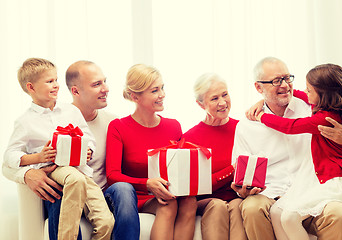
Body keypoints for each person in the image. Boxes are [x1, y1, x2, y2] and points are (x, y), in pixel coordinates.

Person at [231, 57, 342, 240]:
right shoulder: (247, 126)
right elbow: (242, 170)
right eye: (276, 81)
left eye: (288, 78)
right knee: (253, 208)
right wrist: (243, 188)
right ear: (258, 87)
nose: (286, 86)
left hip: (314, 189)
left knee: (339, 214)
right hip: (272, 192)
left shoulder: (315, 108)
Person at [3, 60, 140, 240]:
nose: (56, 85)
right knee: (73, 179)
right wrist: (37, 158)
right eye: (49, 81)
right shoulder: (25, 121)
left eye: (56, 80)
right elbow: (9, 157)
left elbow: (87, 137)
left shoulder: (71, 112)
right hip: (55, 171)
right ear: (31, 87)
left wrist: (87, 150)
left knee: (106, 222)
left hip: (81, 172)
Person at [105, 64, 197, 240]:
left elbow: (181, 169)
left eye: (162, 88)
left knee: (189, 201)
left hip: (168, 193)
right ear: (135, 96)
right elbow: (112, 175)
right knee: (169, 204)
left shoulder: (173, 126)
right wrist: (147, 183)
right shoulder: (118, 126)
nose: (162, 94)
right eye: (155, 90)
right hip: (136, 197)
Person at [183, 73, 247, 240]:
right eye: (214, 98)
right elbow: (195, 186)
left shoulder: (243, 129)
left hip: (237, 197)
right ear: (200, 104)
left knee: (237, 206)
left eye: (225, 94)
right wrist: (232, 170)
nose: (223, 102)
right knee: (218, 206)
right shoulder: (190, 138)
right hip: (206, 200)